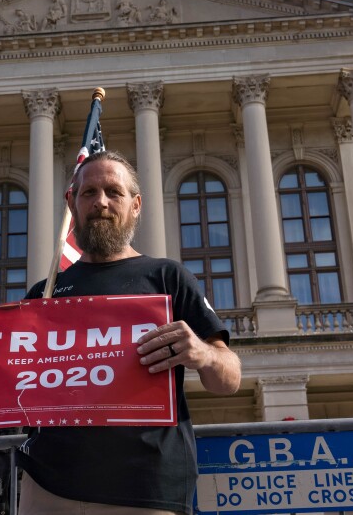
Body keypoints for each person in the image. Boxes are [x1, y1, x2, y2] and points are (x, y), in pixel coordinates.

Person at [15, 151, 242, 514]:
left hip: (145, 487)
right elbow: (15, 391)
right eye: (88, 193)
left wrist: (201, 351)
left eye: (113, 192)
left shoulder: (169, 278)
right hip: (48, 487)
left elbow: (228, 379)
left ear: (135, 205)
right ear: (72, 204)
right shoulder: (44, 293)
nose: (100, 202)